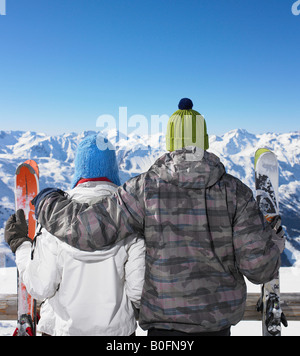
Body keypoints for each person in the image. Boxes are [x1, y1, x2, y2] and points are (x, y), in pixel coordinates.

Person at [8, 98, 285, 336]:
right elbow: (260, 269)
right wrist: (272, 239)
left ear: (169, 142)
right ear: (205, 141)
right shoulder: (236, 192)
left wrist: (47, 202)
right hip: (217, 327)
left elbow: (87, 230)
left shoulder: (143, 189)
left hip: (162, 330)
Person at [5, 134, 145, 336]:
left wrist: (21, 244)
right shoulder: (130, 219)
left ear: (79, 172)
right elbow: (139, 292)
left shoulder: (54, 218)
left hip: (63, 331)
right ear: (113, 171)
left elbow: (40, 286)